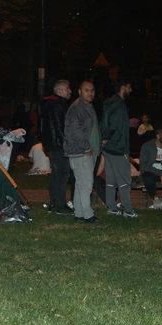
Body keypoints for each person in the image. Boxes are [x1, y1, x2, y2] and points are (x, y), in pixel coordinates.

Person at [64, 81, 100, 223]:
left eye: (92, 90)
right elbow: (74, 131)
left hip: (89, 152)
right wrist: (86, 147)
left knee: (81, 183)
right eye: (86, 90)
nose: (90, 93)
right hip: (81, 152)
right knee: (86, 183)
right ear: (79, 91)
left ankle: (79, 212)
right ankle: (88, 214)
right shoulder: (77, 108)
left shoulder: (87, 106)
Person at [101, 79, 137, 218]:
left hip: (109, 148)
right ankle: (128, 210)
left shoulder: (109, 102)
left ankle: (112, 207)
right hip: (118, 147)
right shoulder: (119, 104)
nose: (131, 90)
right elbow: (114, 125)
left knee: (111, 180)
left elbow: (106, 123)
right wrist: (107, 136)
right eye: (129, 87)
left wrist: (105, 139)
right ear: (123, 87)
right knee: (124, 180)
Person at [40, 79, 74, 215]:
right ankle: (59, 205)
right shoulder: (59, 104)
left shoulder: (48, 104)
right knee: (62, 174)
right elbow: (61, 127)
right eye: (67, 88)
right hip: (59, 145)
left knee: (56, 175)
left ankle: (55, 203)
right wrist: (67, 143)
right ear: (60, 90)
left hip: (52, 144)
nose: (70, 91)